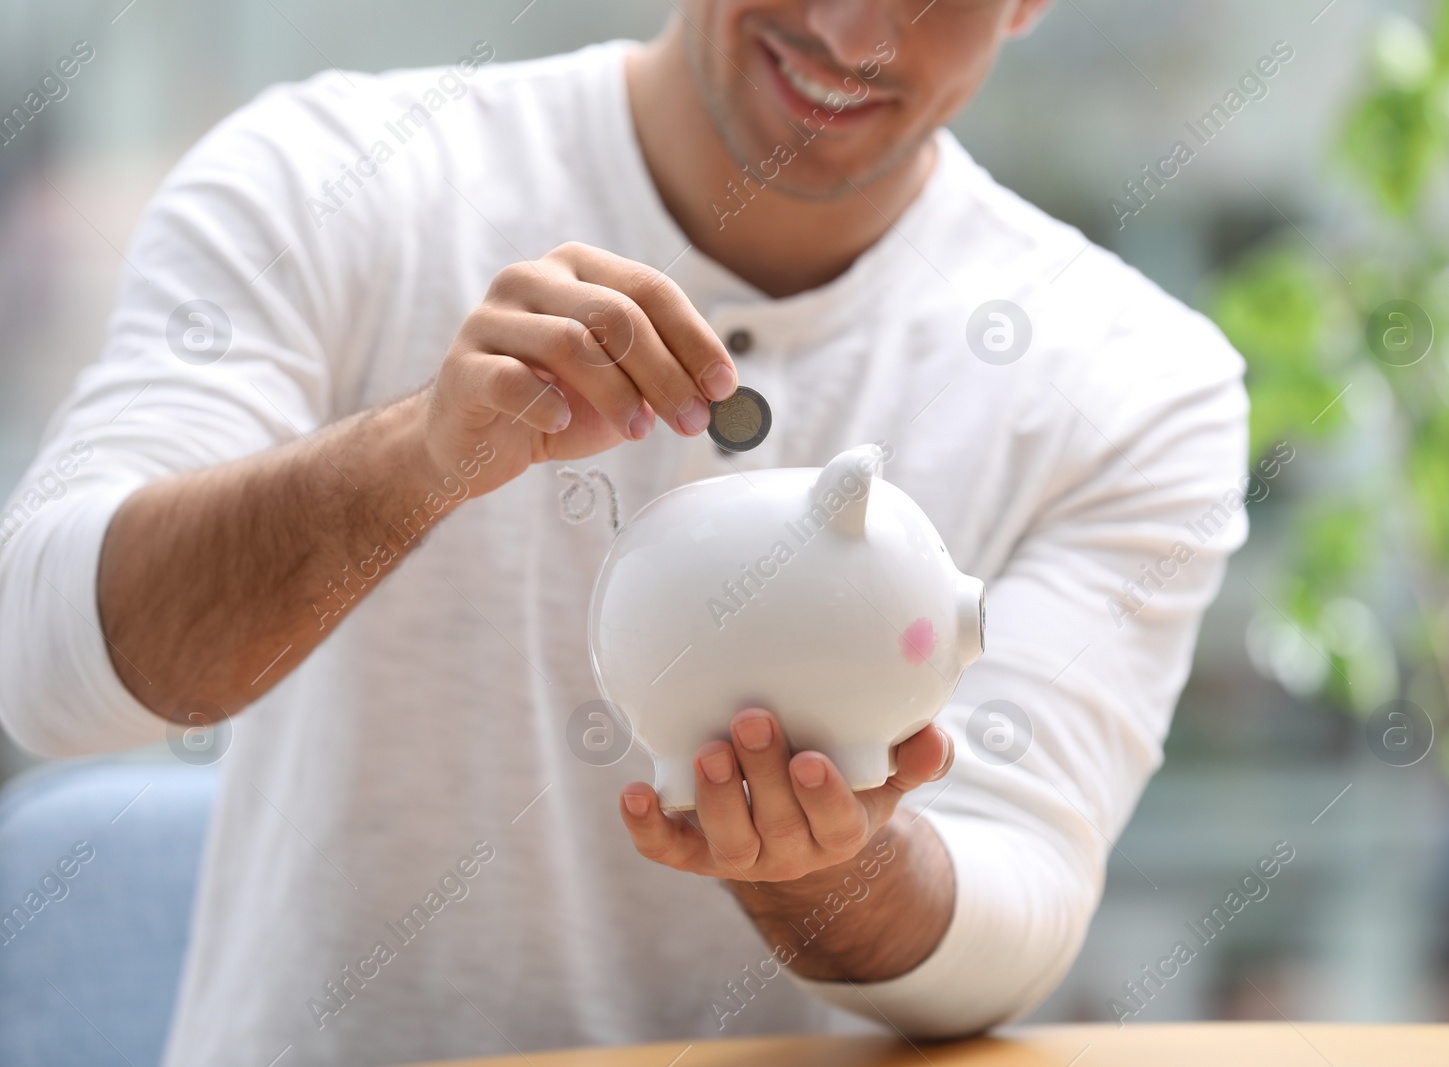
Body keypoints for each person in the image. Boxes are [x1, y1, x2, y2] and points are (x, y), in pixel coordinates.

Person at [0, 2, 1249, 1064]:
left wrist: (829, 867)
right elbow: (45, 664)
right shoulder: (335, 173)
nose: (852, 30)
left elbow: (1011, 917)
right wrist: (416, 458)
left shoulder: (1133, 384)